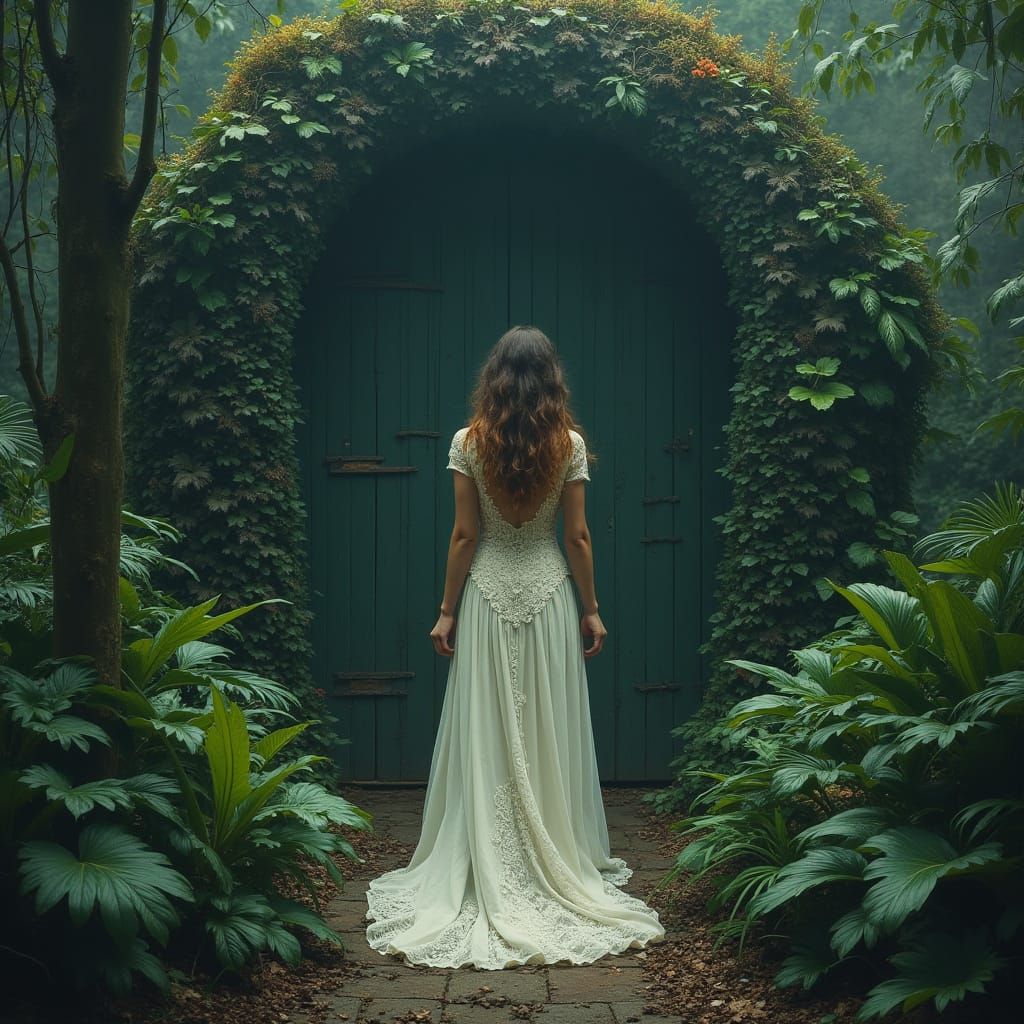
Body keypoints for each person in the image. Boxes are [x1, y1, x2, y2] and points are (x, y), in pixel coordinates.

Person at [364, 325, 666, 969]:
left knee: (488, 727)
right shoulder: (570, 445)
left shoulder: (467, 443)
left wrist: (446, 612)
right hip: (550, 594)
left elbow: (465, 535)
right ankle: (553, 846)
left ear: (494, 378)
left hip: (489, 595)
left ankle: (484, 851)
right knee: (546, 726)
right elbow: (578, 537)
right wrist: (592, 609)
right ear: (552, 379)